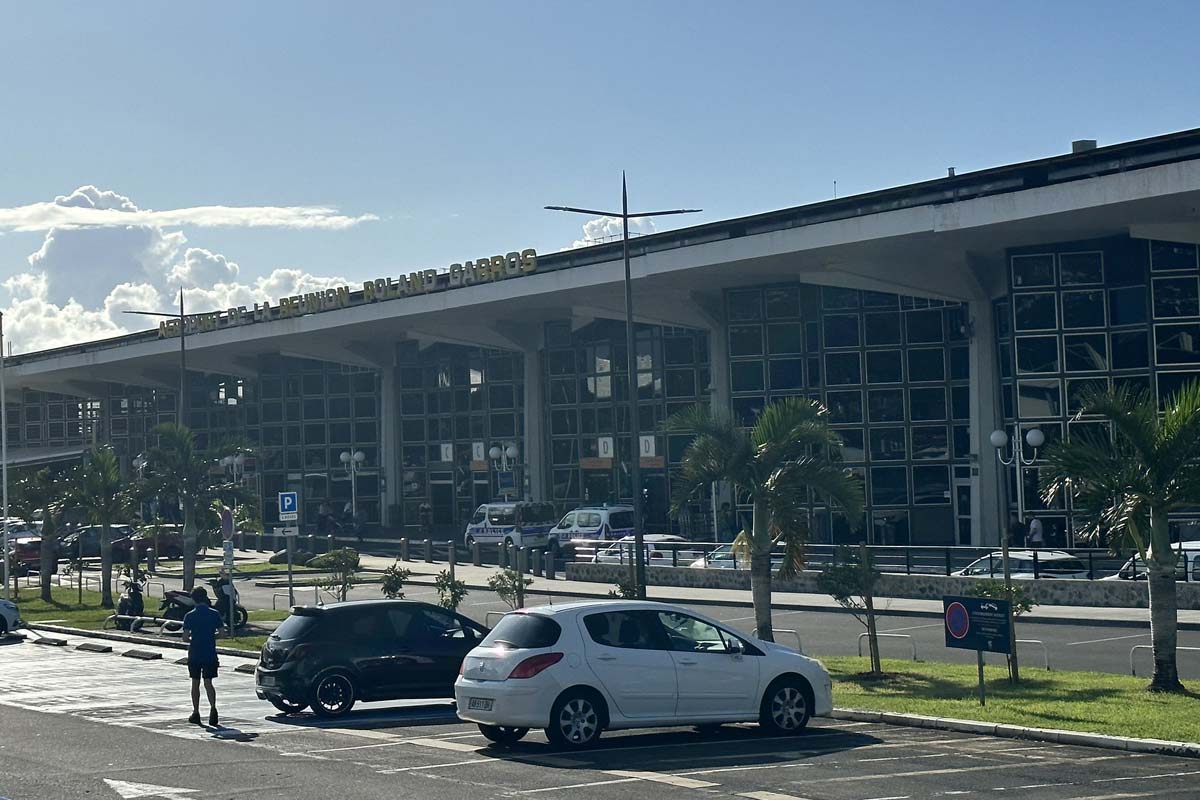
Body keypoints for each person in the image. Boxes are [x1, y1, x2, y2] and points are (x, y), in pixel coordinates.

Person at [181, 586, 223, 726]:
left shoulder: (190, 616)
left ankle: (196, 712)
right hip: (210, 652)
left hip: (195, 653)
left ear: (193, 599)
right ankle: (213, 709)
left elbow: (185, 638)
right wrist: (211, 636)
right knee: (208, 682)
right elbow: (222, 633)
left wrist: (195, 638)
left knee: (195, 683)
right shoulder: (214, 614)